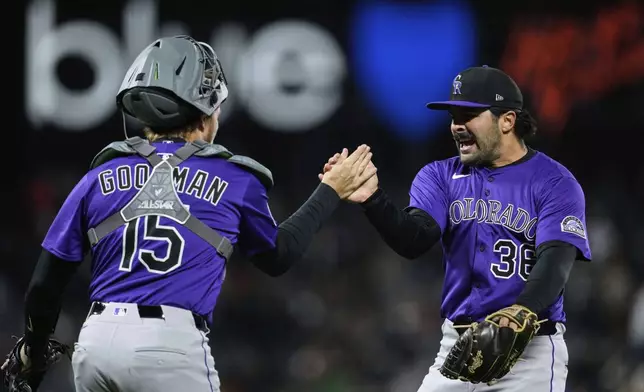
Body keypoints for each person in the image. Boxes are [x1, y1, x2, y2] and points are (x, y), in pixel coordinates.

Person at [5, 35, 375, 392]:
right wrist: (330, 190)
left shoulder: (98, 176)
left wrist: (34, 352)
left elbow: (44, 286)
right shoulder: (235, 178)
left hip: (97, 344)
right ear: (204, 114)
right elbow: (278, 256)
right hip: (169, 345)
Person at [321, 65, 591, 391]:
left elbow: (555, 261)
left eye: (468, 115)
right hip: (457, 347)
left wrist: (520, 311)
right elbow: (415, 240)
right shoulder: (439, 176)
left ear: (507, 120)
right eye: (454, 116)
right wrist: (373, 200)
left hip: (528, 351)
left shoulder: (554, 182)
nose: (457, 126)